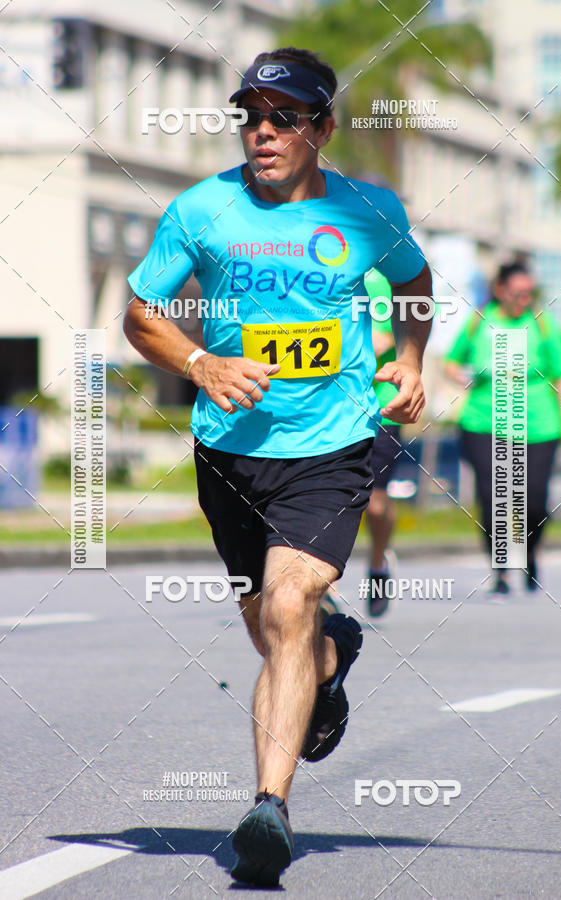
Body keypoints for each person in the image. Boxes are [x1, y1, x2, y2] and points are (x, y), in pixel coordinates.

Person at [124, 46, 432, 886]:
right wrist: (202, 365)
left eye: (284, 119)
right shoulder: (201, 209)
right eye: (252, 118)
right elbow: (142, 315)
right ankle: (329, 658)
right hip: (230, 452)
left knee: (291, 600)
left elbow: (414, 282)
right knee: (274, 631)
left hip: (333, 444)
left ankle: (270, 808)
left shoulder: (367, 210)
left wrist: (409, 359)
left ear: (321, 129)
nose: (262, 132)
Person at [444, 261, 561, 595]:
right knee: (493, 497)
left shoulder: (542, 323)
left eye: (529, 293)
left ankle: (529, 551)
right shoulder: (479, 321)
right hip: (483, 423)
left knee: (533, 500)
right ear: (500, 290)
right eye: (518, 293)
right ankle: (501, 567)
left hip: (538, 425)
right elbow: (451, 361)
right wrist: (460, 376)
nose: (524, 300)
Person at [363, 268, 403, 617]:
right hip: (328, 410)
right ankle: (323, 587)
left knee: (374, 504)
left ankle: (378, 562)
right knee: (328, 501)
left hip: (380, 411)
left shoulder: (380, 279)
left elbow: (382, 341)